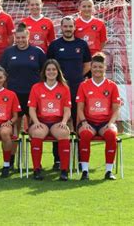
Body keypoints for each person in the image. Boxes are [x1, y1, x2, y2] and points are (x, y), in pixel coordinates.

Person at [47, 16, 91, 169]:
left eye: (70, 26)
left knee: (78, 125)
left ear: (74, 27)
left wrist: (77, 78)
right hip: (58, 92)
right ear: (61, 28)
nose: (68, 29)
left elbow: (87, 65)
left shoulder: (82, 45)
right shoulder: (54, 45)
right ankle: (58, 160)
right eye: (65, 26)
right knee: (58, 124)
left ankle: (80, 160)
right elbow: (50, 67)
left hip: (77, 90)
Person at [0, 23, 46, 167]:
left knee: (35, 130)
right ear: (15, 37)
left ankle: (34, 163)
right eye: (17, 37)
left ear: (28, 36)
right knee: (14, 130)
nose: (20, 40)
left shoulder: (38, 52)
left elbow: (44, 74)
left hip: (33, 97)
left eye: (23, 37)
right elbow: (2, 74)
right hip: (14, 97)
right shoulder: (8, 53)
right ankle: (11, 161)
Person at [76, 52, 120, 180]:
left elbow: (116, 109)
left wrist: (111, 123)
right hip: (88, 122)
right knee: (84, 134)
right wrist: (84, 122)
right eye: (95, 67)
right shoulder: (84, 85)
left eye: (100, 67)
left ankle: (108, 171)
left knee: (111, 134)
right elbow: (80, 108)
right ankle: (85, 171)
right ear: (91, 67)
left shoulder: (112, 86)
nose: (97, 70)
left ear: (105, 68)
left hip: (105, 122)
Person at [27, 59, 72, 181]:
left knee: (63, 133)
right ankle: (37, 169)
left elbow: (67, 109)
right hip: (41, 121)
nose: (51, 72)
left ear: (58, 72)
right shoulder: (36, 87)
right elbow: (31, 109)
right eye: (48, 69)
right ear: (44, 72)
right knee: (37, 132)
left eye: (54, 69)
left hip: (57, 122)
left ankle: (64, 170)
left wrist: (63, 122)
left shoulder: (64, 88)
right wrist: (36, 122)